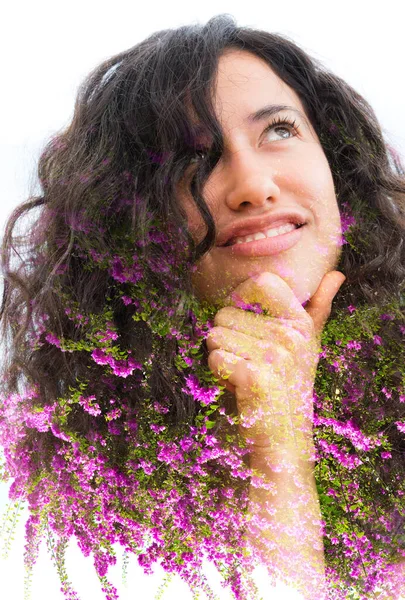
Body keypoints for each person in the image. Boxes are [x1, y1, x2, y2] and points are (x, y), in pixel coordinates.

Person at [0, 13, 404, 600]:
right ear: (126, 225)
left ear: (338, 171)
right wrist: (277, 450)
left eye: (280, 130)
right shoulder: (37, 489)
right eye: (191, 161)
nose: (252, 185)